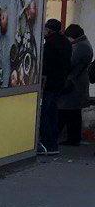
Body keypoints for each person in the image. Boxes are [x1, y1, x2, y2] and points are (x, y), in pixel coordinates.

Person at [39, 18, 72, 155]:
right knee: (53, 113)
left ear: (50, 30)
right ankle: (53, 144)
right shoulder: (66, 43)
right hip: (59, 83)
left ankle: (46, 143)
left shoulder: (50, 44)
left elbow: (45, 65)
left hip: (49, 84)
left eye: (46, 29)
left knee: (45, 114)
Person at [58, 24, 93, 146]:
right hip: (77, 82)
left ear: (72, 36)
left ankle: (72, 138)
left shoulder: (81, 46)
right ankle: (73, 138)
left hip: (74, 83)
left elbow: (70, 62)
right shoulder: (84, 44)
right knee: (72, 112)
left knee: (69, 111)